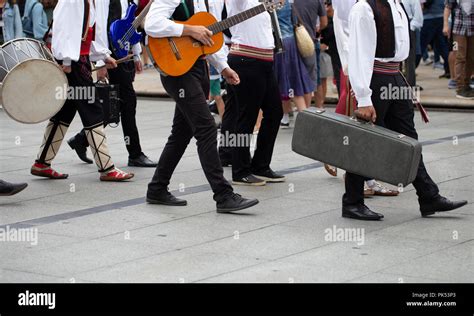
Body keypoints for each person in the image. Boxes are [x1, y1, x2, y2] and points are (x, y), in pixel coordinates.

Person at [343, 0, 467, 220]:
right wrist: (363, 97)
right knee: (365, 140)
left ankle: (428, 196)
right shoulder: (364, 7)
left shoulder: (396, 3)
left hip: (394, 76)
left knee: (409, 139)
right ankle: (352, 202)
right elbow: (358, 54)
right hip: (376, 79)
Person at [144, 0, 259, 213]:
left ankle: (157, 188)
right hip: (176, 69)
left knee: (181, 133)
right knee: (206, 128)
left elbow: (209, 36)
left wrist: (223, 67)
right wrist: (188, 29)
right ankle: (223, 195)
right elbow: (151, 24)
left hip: (197, 65)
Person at [31, 0, 134, 182]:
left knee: (66, 110)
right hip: (74, 63)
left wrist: (103, 56)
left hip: (77, 60)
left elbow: (85, 36)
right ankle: (107, 167)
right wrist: (68, 62)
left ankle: (42, 162)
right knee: (92, 108)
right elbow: (63, 29)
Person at [67, 0, 158, 168]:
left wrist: (137, 54)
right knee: (128, 102)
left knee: (113, 106)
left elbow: (131, 24)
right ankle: (135, 153)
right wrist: (101, 62)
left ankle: (81, 139)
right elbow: (99, 28)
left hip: (124, 54)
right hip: (110, 56)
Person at [224, 0, 285, 186]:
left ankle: (260, 165)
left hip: (265, 61)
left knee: (275, 113)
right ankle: (240, 170)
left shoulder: (260, 4)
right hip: (246, 60)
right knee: (245, 117)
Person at [276, 0, 315, 129]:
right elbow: (294, 21)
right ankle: (293, 116)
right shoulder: (288, 2)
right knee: (294, 79)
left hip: (279, 44)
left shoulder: (268, 4)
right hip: (291, 42)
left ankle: (294, 117)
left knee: (284, 81)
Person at [444, 0, 474, 99]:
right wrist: (446, 25)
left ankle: (467, 84)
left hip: (472, 28)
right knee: (460, 57)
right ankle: (460, 87)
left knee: (471, 58)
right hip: (458, 29)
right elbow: (447, 7)